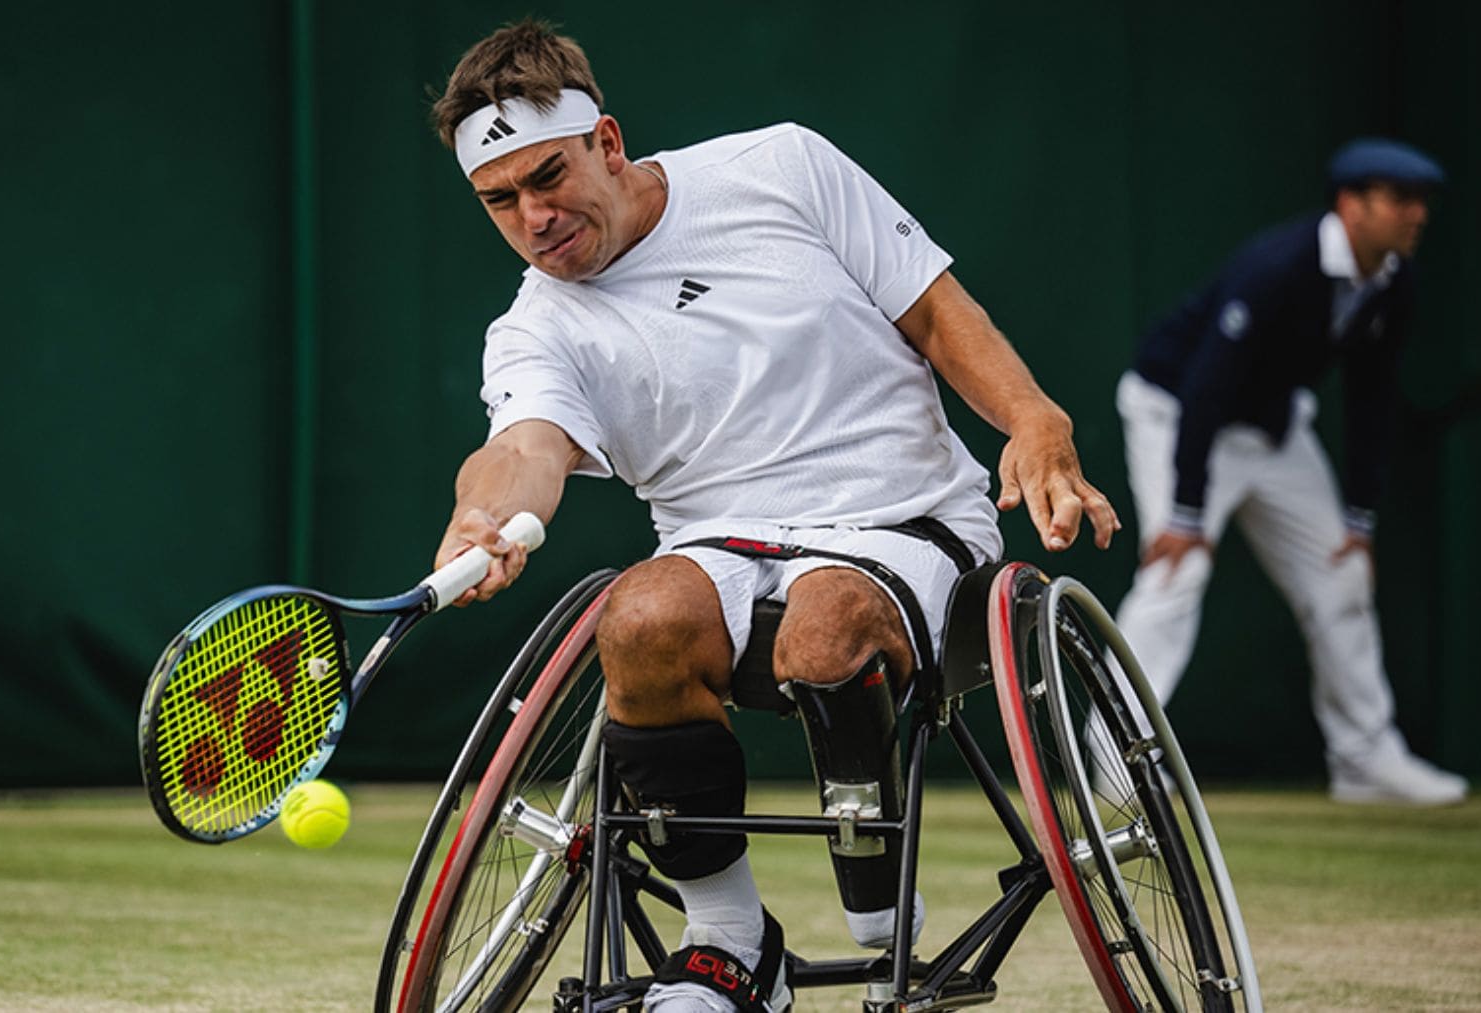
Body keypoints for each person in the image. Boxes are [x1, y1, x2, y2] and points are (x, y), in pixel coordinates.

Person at [426, 20, 1118, 1012]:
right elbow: (523, 448)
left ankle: (877, 891)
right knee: (636, 616)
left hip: (906, 517)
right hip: (719, 548)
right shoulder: (537, 327)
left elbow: (934, 311)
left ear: (608, 142)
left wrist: (1034, 418)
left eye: (548, 178)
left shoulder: (780, 165)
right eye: (500, 200)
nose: (533, 217)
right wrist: (481, 517)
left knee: (828, 621)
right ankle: (729, 943)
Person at [1108, 137, 1466, 807]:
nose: (1417, 214)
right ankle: (1110, 755)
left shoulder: (1395, 283)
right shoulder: (1278, 266)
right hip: (1178, 411)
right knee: (1176, 568)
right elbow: (1207, 386)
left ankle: (1365, 758)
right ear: (1351, 205)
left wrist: (1359, 517)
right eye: (1400, 200)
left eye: (1423, 202)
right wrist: (1186, 514)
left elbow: (1371, 397)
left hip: (1273, 429)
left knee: (1343, 572)